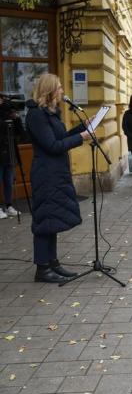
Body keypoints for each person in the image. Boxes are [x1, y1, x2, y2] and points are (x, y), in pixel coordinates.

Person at [25, 73, 91, 283]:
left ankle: (53, 263)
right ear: (50, 90)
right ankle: (42, 269)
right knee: (44, 221)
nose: (62, 91)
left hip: (55, 174)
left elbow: (60, 138)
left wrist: (82, 128)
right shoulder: (36, 115)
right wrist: (80, 138)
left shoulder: (50, 113)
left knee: (52, 219)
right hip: (46, 175)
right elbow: (52, 146)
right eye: (60, 87)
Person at [0, 97, 24, 219]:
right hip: (0, 153)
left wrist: (17, 119)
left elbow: (20, 133)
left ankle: (9, 205)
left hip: (9, 153)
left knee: (9, 182)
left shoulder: (10, 117)